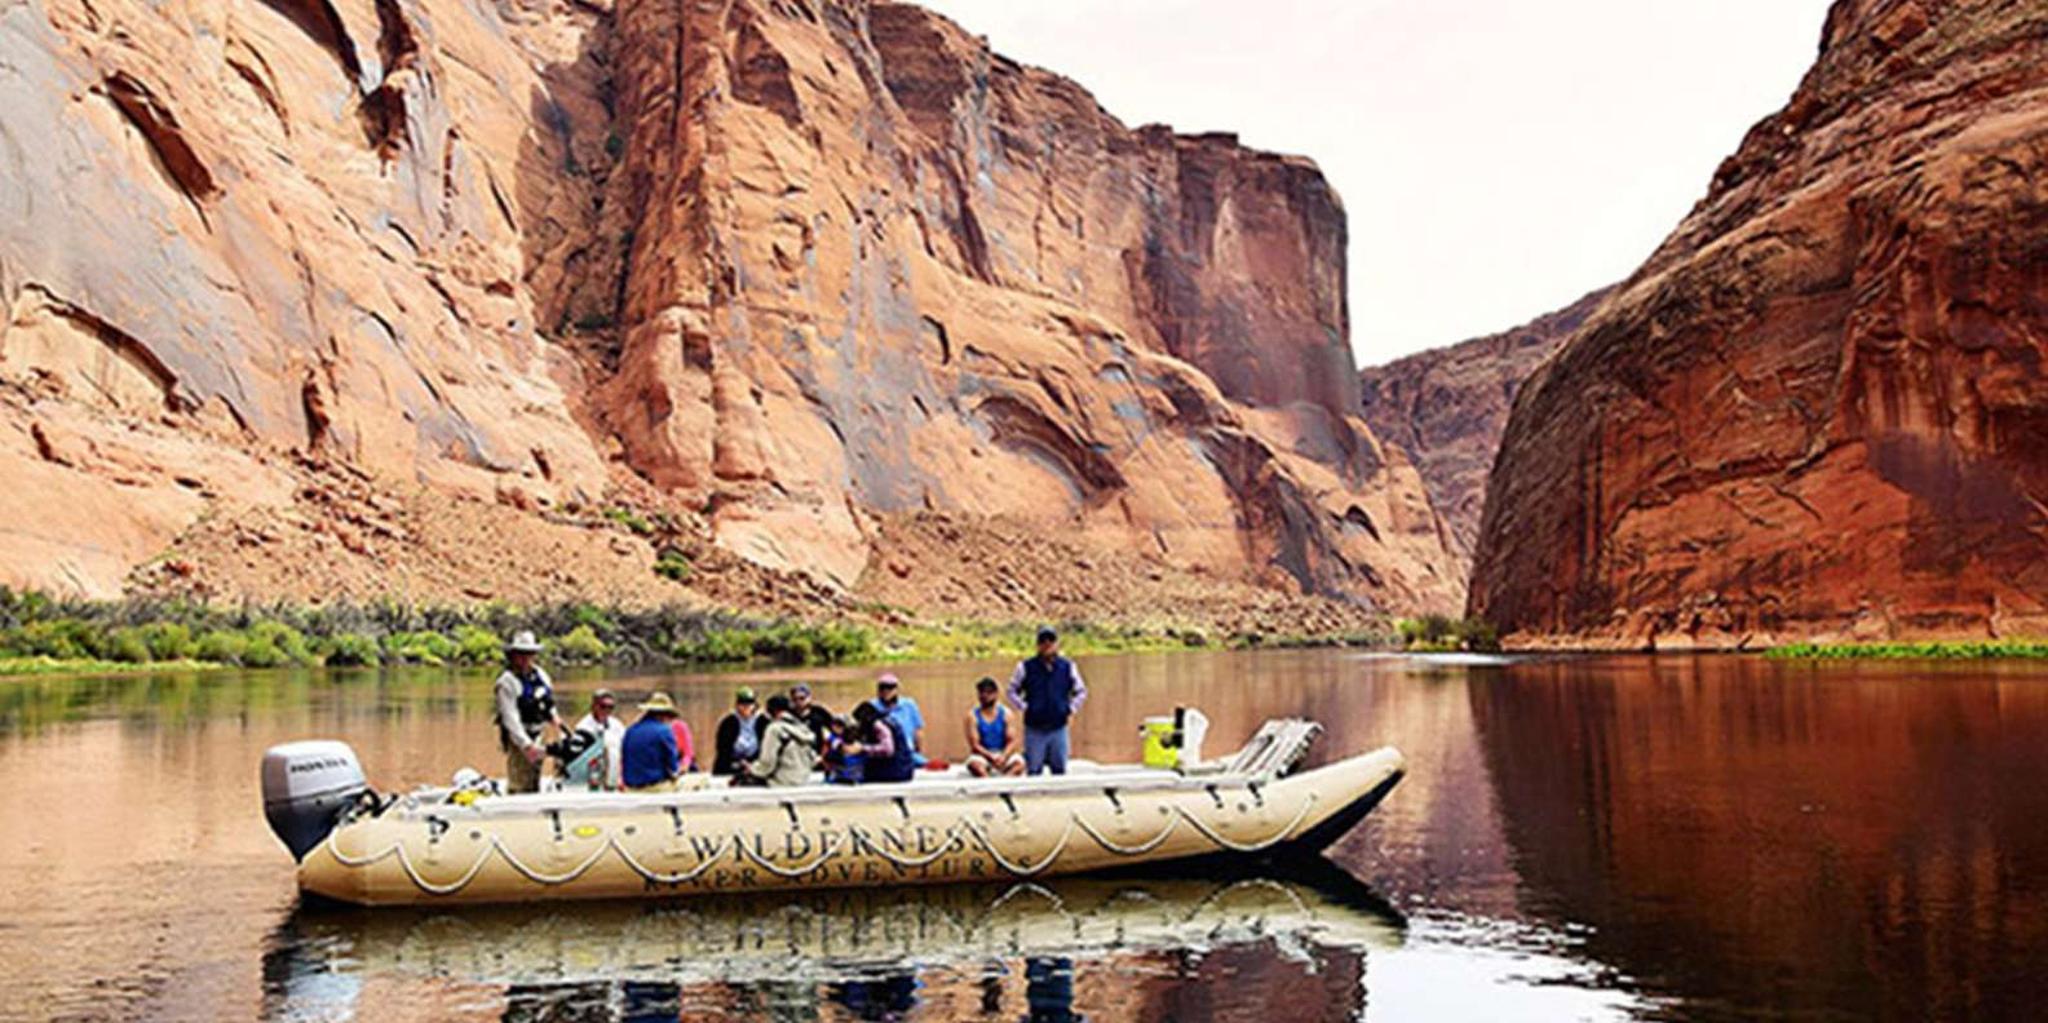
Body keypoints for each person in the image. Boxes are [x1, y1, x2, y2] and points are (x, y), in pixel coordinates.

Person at [1007, 627, 1087, 776]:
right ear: (1038, 645)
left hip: (1059, 727)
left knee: (1059, 768)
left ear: (1057, 644)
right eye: (1043, 641)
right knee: (1034, 769)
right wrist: (1025, 707)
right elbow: (1011, 690)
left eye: (1051, 640)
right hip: (1034, 728)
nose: (1047, 644)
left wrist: (1070, 708)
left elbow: (1081, 691)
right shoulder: (1025, 667)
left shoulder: (1068, 667)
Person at [493, 631, 564, 793]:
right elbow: (510, 718)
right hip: (520, 737)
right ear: (513, 655)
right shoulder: (506, 682)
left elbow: (547, 701)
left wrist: (554, 717)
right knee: (520, 778)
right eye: (521, 654)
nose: (526, 659)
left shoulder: (541, 675)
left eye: (529, 654)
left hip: (540, 731)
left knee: (535, 774)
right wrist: (526, 745)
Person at [749, 694, 819, 788]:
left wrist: (751, 769)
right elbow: (813, 760)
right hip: (803, 780)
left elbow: (767, 766)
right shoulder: (803, 728)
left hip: (780, 782)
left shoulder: (774, 729)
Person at [620, 692, 684, 791]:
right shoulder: (664, 731)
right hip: (655, 787)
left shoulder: (631, 730)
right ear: (663, 715)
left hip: (630, 787)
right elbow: (673, 768)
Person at [963, 676, 1025, 777]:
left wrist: (1003, 756)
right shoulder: (972, 716)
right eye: (982, 692)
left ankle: (1004, 785)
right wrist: (990, 756)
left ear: (996, 694)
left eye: (988, 693)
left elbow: (1012, 741)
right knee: (975, 766)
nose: (985, 696)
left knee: (1019, 765)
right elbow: (975, 745)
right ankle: (988, 783)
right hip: (983, 755)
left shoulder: (1006, 713)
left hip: (1003, 752)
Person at [845, 701, 915, 783]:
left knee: (855, 773)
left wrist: (862, 748)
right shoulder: (888, 720)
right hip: (903, 769)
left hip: (896, 770)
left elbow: (888, 749)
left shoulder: (878, 726)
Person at [572, 688, 626, 789]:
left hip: (614, 772)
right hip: (591, 774)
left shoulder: (617, 725)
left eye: (610, 707)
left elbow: (625, 747)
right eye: (603, 706)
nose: (607, 710)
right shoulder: (583, 727)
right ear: (594, 706)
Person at [869, 674, 926, 766]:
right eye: (882, 688)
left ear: (896, 689)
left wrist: (918, 750)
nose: (886, 691)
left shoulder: (909, 705)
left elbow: (918, 731)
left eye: (890, 688)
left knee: (925, 763)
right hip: (882, 753)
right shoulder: (871, 707)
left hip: (906, 752)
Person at [712, 687, 768, 777]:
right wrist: (739, 762)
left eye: (749, 703)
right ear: (737, 704)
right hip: (732, 764)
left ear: (755, 704)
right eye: (742, 703)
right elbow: (722, 749)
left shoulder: (763, 721)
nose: (746, 707)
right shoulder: (728, 722)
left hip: (756, 764)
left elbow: (766, 747)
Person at [789, 683, 835, 751]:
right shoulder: (789, 714)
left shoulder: (820, 712)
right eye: (795, 699)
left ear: (809, 698)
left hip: (818, 749)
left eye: (802, 698)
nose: (798, 702)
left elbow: (833, 729)